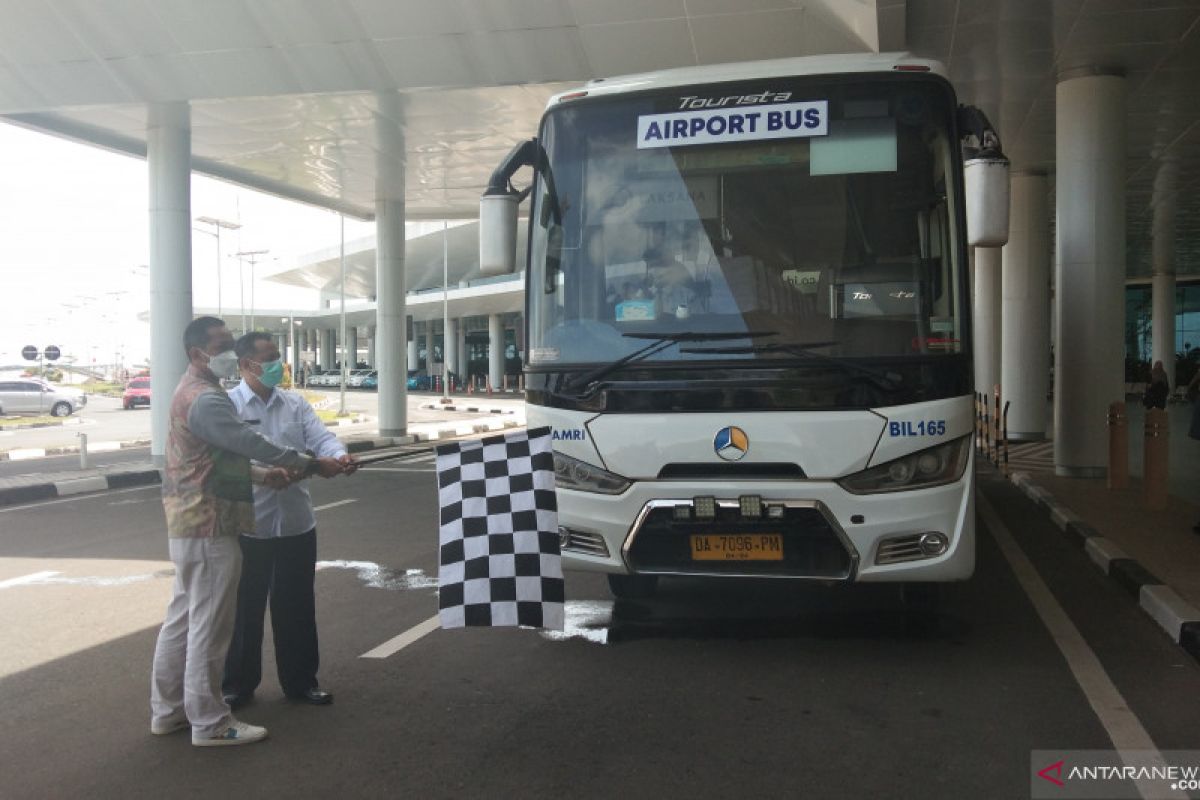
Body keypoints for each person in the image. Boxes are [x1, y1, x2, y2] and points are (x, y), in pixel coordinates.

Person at [151, 316, 333, 747]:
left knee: (181, 619)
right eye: (225, 344)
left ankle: (169, 711)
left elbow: (215, 458)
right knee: (209, 626)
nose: (232, 351)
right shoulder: (207, 399)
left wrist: (261, 475)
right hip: (210, 521)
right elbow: (251, 443)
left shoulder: (191, 391)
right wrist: (306, 464)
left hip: (191, 518)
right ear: (199, 354)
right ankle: (210, 722)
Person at [222, 332, 358, 709]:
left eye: (278, 357)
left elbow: (321, 438)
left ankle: (301, 682)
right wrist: (272, 471)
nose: (278, 365)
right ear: (247, 365)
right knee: (245, 609)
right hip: (251, 525)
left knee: (296, 606)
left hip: (296, 523)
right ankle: (237, 685)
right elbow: (230, 458)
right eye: (268, 358)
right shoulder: (228, 406)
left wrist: (340, 455)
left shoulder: (294, 404)